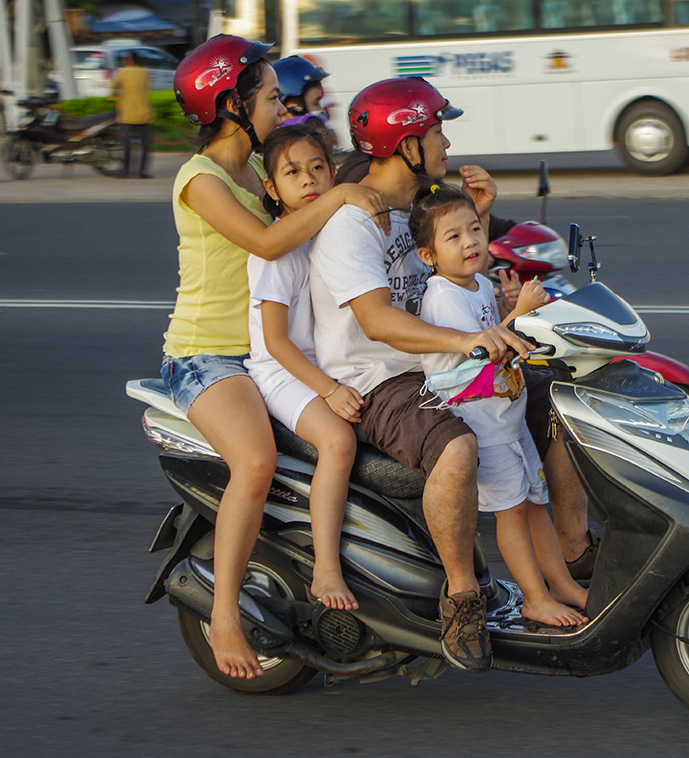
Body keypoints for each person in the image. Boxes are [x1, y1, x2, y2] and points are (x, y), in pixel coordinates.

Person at [163, 35, 388, 681]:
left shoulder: (253, 173)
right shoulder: (200, 179)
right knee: (256, 461)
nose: (277, 106)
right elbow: (266, 242)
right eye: (266, 96)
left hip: (267, 351)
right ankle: (227, 615)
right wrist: (341, 199)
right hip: (209, 356)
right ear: (231, 103)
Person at [308, 77, 531, 673]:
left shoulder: (411, 208)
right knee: (456, 449)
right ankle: (461, 596)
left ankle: (569, 556)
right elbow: (378, 322)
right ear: (407, 144)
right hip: (379, 377)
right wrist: (468, 341)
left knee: (551, 402)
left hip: (431, 361)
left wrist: (478, 220)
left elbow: (447, 267)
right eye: (435, 132)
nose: (446, 142)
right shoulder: (352, 226)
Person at [414, 183, 588, 627]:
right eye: (453, 236)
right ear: (428, 255)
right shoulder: (443, 296)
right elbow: (486, 349)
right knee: (511, 514)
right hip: (483, 427)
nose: (470, 241)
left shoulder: (474, 285)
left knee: (534, 503)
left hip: (506, 418)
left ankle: (562, 585)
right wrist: (518, 313)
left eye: (474, 229)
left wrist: (511, 308)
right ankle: (534, 597)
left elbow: (500, 337)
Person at [245, 123, 360, 611]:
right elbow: (274, 341)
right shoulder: (278, 250)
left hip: (323, 362)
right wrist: (329, 390)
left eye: (317, 169)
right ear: (271, 188)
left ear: (334, 174)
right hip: (280, 370)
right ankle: (326, 569)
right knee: (338, 440)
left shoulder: (331, 233)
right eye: (293, 173)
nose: (309, 180)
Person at [111, 50, 153, 178]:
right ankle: (141, 172)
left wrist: (118, 97)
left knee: (126, 144)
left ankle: (126, 171)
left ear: (129, 60)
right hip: (144, 112)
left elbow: (114, 87)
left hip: (127, 112)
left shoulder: (122, 72)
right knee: (145, 145)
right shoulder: (144, 72)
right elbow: (146, 88)